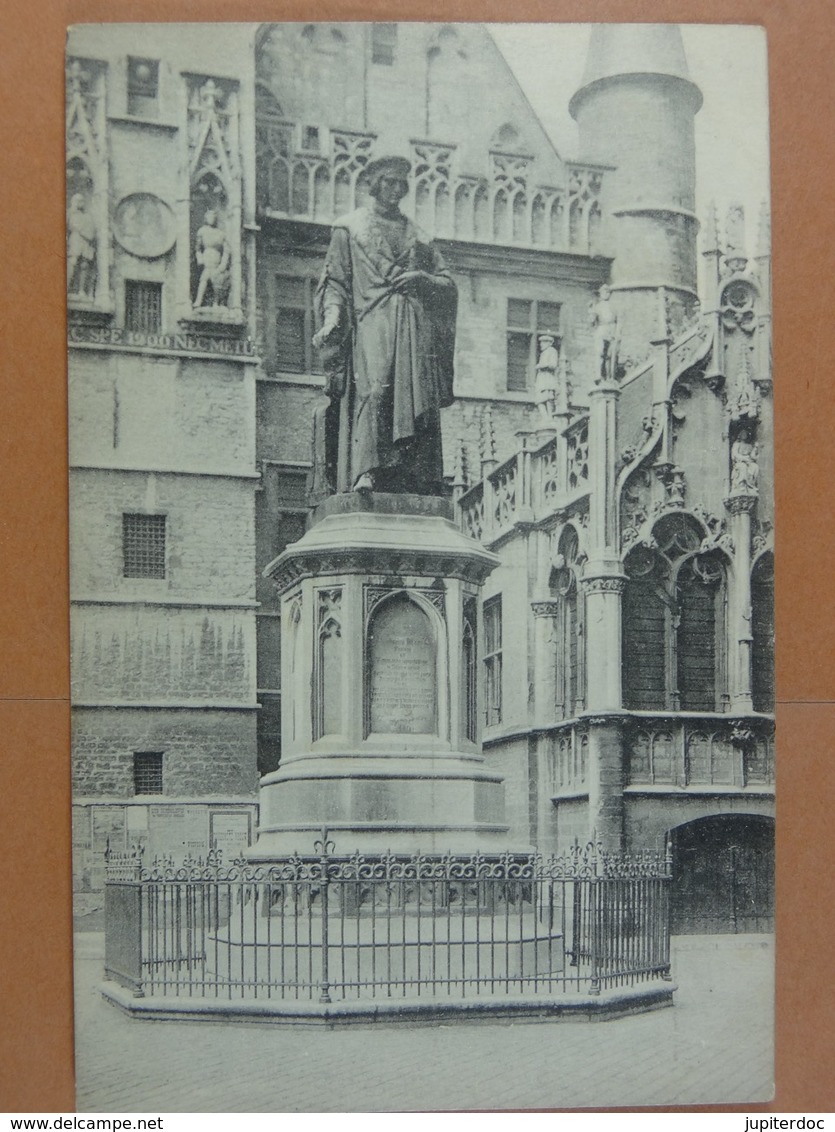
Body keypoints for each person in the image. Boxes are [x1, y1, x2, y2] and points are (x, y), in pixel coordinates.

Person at [310, 155, 457, 496]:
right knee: (376, 391)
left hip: (414, 326)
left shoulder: (419, 236)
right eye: (388, 182)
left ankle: (420, 477)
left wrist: (424, 279)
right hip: (372, 322)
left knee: (421, 401)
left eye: (400, 183)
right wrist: (332, 318)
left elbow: (448, 283)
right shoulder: (348, 229)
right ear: (374, 184)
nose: (395, 189)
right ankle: (368, 470)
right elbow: (335, 281)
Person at [194, 209, 231, 308]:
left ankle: (216, 302)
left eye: (214, 217)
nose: (212, 219)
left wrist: (223, 263)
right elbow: (197, 248)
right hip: (206, 258)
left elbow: (227, 250)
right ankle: (199, 300)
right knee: (204, 278)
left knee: (217, 281)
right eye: (210, 217)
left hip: (216, 259)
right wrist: (199, 258)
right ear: (206, 218)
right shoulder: (202, 231)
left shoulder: (221, 233)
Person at [67, 192, 97, 299]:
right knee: (73, 262)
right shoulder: (69, 213)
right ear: (73, 201)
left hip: (86, 243)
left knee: (85, 265)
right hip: (75, 240)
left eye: (82, 201)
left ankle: (82, 290)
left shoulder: (87, 215)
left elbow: (92, 230)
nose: (81, 203)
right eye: (78, 200)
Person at [590, 283, 619, 381]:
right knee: (600, 352)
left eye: (608, 292)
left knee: (609, 355)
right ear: (600, 294)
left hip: (611, 330)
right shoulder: (597, 306)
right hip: (601, 329)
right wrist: (591, 311)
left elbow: (617, 321)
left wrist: (616, 333)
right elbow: (592, 321)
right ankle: (598, 375)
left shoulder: (613, 307)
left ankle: (609, 376)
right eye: (604, 292)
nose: (606, 294)